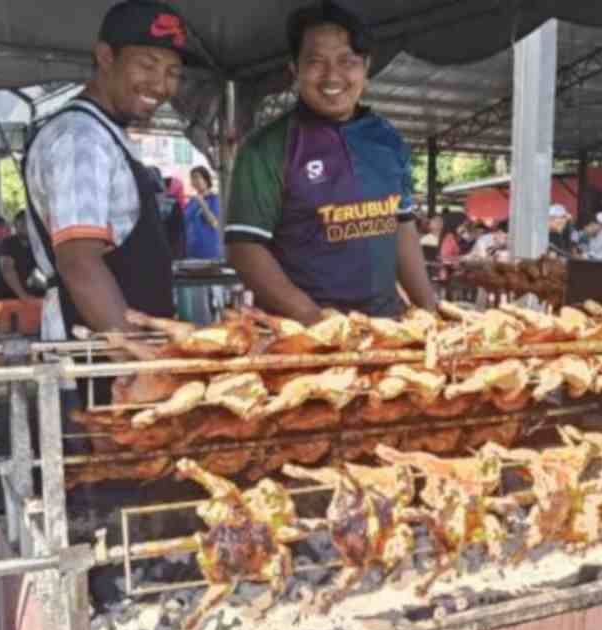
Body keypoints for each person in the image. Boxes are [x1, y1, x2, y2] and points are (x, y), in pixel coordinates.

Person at [23, 0, 197, 399]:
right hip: (101, 365)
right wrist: (137, 360)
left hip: (122, 357)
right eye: (147, 65)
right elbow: (80, 262)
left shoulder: (106, 134)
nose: (161, 84)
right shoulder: (80, 139)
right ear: (106, 57)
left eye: (172, 73)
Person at [224, 2, 435, 322]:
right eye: (316, 62)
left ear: (365, 66)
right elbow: (244, 248)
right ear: (294, 70)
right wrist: (314, 319)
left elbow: (402, 227)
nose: (332, 76)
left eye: (347, 61)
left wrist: (430, 313)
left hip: (387, 328)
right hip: (303, 339)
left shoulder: (389, 140)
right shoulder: (265, 149)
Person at [0, 210, 41, 303]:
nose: (27, 227)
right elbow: (7, 268)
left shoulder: (37, 244)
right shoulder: (8, 243)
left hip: (32, 294)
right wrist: (23, 296)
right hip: (8, 296)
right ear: (15, 226)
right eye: (22, 224)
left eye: (29, 224)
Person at [184, 165, 222, 260]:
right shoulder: (192, 201)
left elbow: (215, 223)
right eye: (192, 178)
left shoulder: (214, 199)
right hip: (191, 251)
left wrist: (203, 204)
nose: (195, 181)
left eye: (197, 177)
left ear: (206, 179)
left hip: (209, 251)